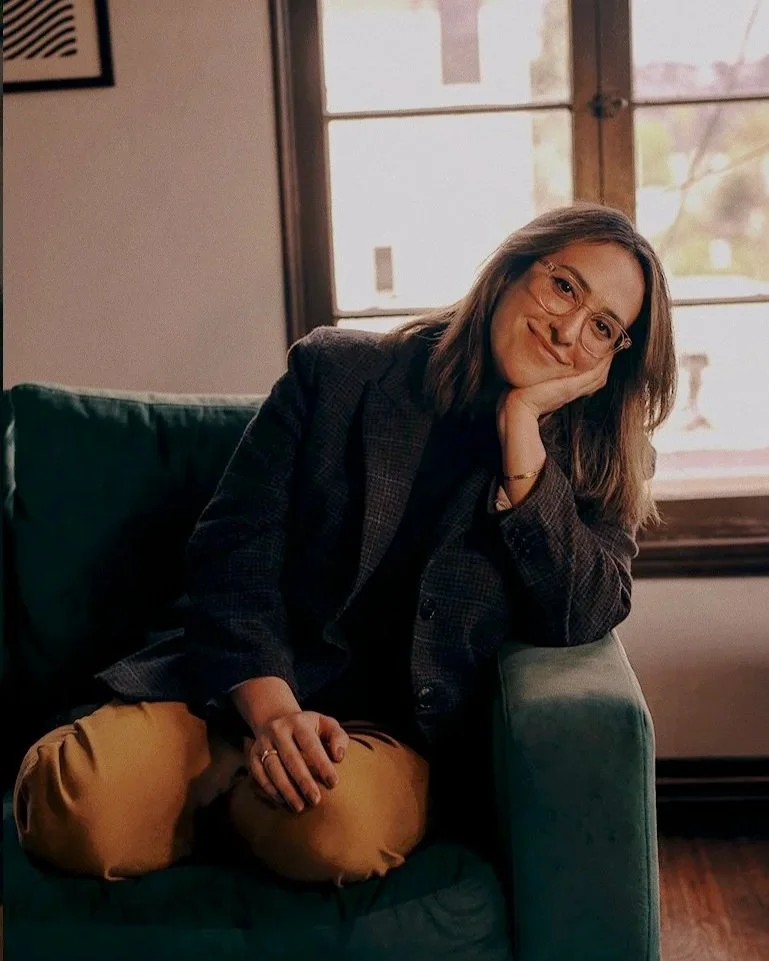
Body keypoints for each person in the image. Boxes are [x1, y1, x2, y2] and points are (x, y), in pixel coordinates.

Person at [13, 202, 677, 887]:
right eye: (562, 286)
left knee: (333, 829)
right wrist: (270, 716)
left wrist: (521, 439)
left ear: (612, 358)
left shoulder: (596, 464)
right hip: (233, 689)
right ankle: (231, 783)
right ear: (510, 270)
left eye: (601, 326)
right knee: (74, 806)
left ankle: (221, 802)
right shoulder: (338, 372)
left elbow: (583, 614)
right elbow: (233, 552)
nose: (566, 329)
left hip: (382, 738)